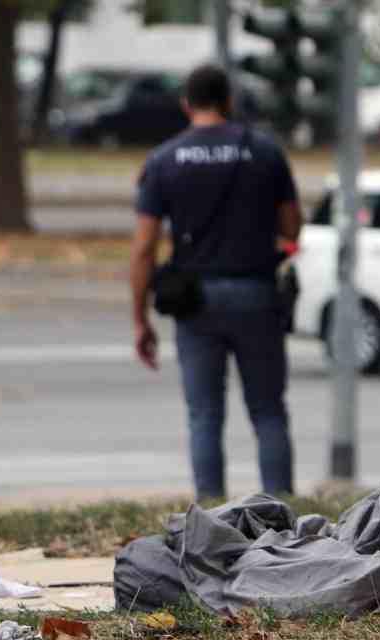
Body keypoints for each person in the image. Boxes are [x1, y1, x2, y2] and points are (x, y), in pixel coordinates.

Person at [131, 64, 303, 501]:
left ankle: (213, 519)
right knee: (268, 412)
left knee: (205, 415)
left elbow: (144, 249)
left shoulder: (164, 160)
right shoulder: (264, 152)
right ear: (228, 101)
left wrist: (139, 319)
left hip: (195, 301)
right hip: (257, 294)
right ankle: (281, 517)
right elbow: (291, 229)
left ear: (186, 105)